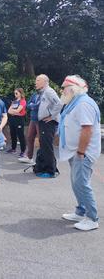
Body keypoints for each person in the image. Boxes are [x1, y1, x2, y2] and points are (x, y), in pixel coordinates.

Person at [58, 75, 101, 231]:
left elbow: (87, 129)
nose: (62, 90)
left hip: (83, 153)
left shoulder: (83, 103)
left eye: (64, 88)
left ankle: (92, 218)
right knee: (77, 184)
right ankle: (81, 211)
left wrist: (81, 152)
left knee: (82, 184)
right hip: (75, 152)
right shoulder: (75, 103)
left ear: (73, 89)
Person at [34, 74, 62, 178]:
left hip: (48, 123)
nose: (35, 82)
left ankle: (51, 171)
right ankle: (43, 167)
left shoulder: (49, 91)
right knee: (44, 145)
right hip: (44, 122)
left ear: (44, 82)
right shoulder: (43, 92)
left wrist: (52, 116)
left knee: (47, 146)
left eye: (38, 80)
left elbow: (59, 103)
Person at [19, 91, 41, 163]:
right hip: (33, 119)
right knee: (29, 137)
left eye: (38, 81)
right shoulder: (34, 94)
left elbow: (39, 106)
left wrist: (33, 105)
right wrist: (33, 105)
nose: (36, 83)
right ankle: (29, 157)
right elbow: (28, 104)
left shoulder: (45, 94)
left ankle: (41, 159)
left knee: (41, 140)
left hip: (40, 120)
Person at [6, 88, 27, 157]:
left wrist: (15, 112)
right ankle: (13, 148)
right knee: (13, 134)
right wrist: (15, 112)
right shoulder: (14, 101)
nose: (15, 95)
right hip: (12, 119)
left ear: (21, 93)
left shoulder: (23, 101)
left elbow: (18, 110)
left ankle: (23, 151)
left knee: (20, 135)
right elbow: (9, 111)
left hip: (19, 120)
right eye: (15, 93)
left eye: (17, 93)